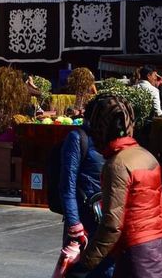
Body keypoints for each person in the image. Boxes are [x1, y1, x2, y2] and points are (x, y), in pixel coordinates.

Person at [67, 94, 162, 278]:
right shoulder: (147, 156)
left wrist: (85, 264)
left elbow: (112, 225)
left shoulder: (116, 165)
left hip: (135, 259)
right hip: (159, 251)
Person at [59, 103, 113, 277]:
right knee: (81, 270)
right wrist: (75, 225)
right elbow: (68, 185)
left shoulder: (110, 139)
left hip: (107, 220)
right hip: (84, 221)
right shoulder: (78, 138)